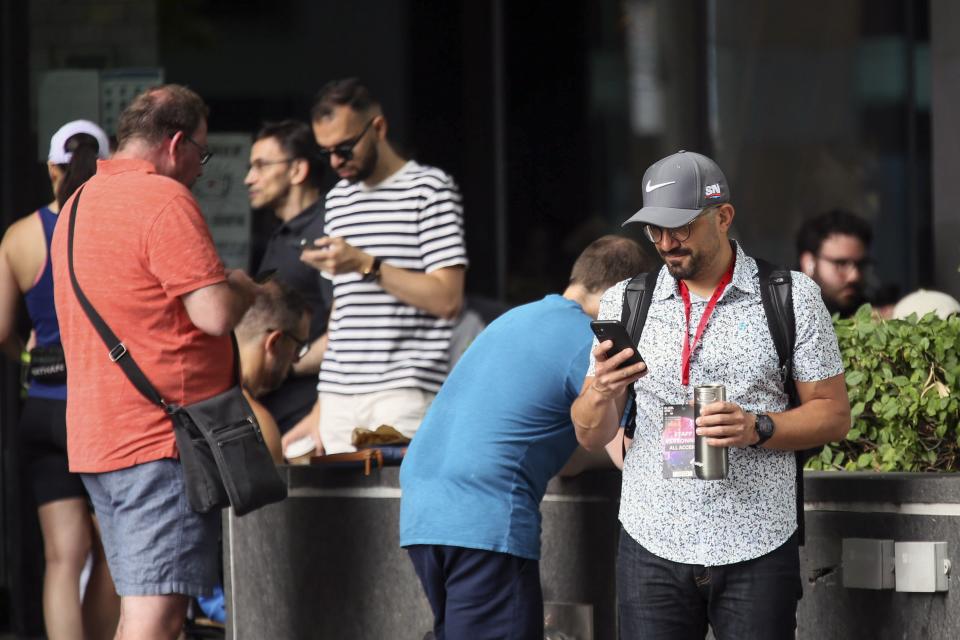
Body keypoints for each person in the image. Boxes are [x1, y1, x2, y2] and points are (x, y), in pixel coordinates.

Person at [570, 150, 851, 639]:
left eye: (680, 227)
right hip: (650, 541)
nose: (664, 242)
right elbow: (592, 434)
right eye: (653, 229)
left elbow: (833, 414)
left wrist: (759, 427)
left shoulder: (789, 295)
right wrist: (599, 392)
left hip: (758, 541)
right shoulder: (626, 300)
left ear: (723, 218)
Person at [50, 85, 261, 640]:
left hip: (100, 437)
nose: (198, 168)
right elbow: (215, 314)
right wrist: (240, 286)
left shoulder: (76, 206)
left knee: (140, 608)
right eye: (202, 152)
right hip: (158, 442)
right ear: (176, 143)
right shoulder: (163, 200)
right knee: (159, 616)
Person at [399, 235, 648, 639]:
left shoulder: (514, 319)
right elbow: (623, 447)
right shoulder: (588, 340)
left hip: (422, 509)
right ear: (627, 294)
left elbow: (564, 454)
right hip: (484, 514)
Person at [291, 77, 468, 455]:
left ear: (379, 128)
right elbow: (345, 310)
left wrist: (365, 264)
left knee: (395, 510)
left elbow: (448, 299)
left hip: (404, 391)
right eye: (326, 153)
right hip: (337, 395)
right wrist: (321, 406)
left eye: (344, 147)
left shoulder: (429, 189)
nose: (336, 161)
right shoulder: (338, 200)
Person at [0, 120, 119, 640]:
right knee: (114, 554)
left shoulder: (21, 235)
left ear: (52, 167)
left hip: (43, 409)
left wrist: (27, 359)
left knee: (62, 558)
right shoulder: (111, 231)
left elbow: (2, 331)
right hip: (97, 411)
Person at [245, 120, 331, 433]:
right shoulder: (281, 235)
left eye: (261, 166)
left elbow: (346, 334)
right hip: (273, 411)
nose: (248, 178)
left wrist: (287, 361)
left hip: (306, 416)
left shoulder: (327, 233)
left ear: (297, 171)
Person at [234, 280, 313, 463]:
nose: (297, 360)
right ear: (274, 342)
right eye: (298, 347)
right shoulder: (257, 426)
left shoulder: (193, 400)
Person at [795, 209, 873, 317]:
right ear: (808, 262)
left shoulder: (874, 315)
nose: (854, 276)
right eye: (841, 264)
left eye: (860, 265)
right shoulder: (784, 320)